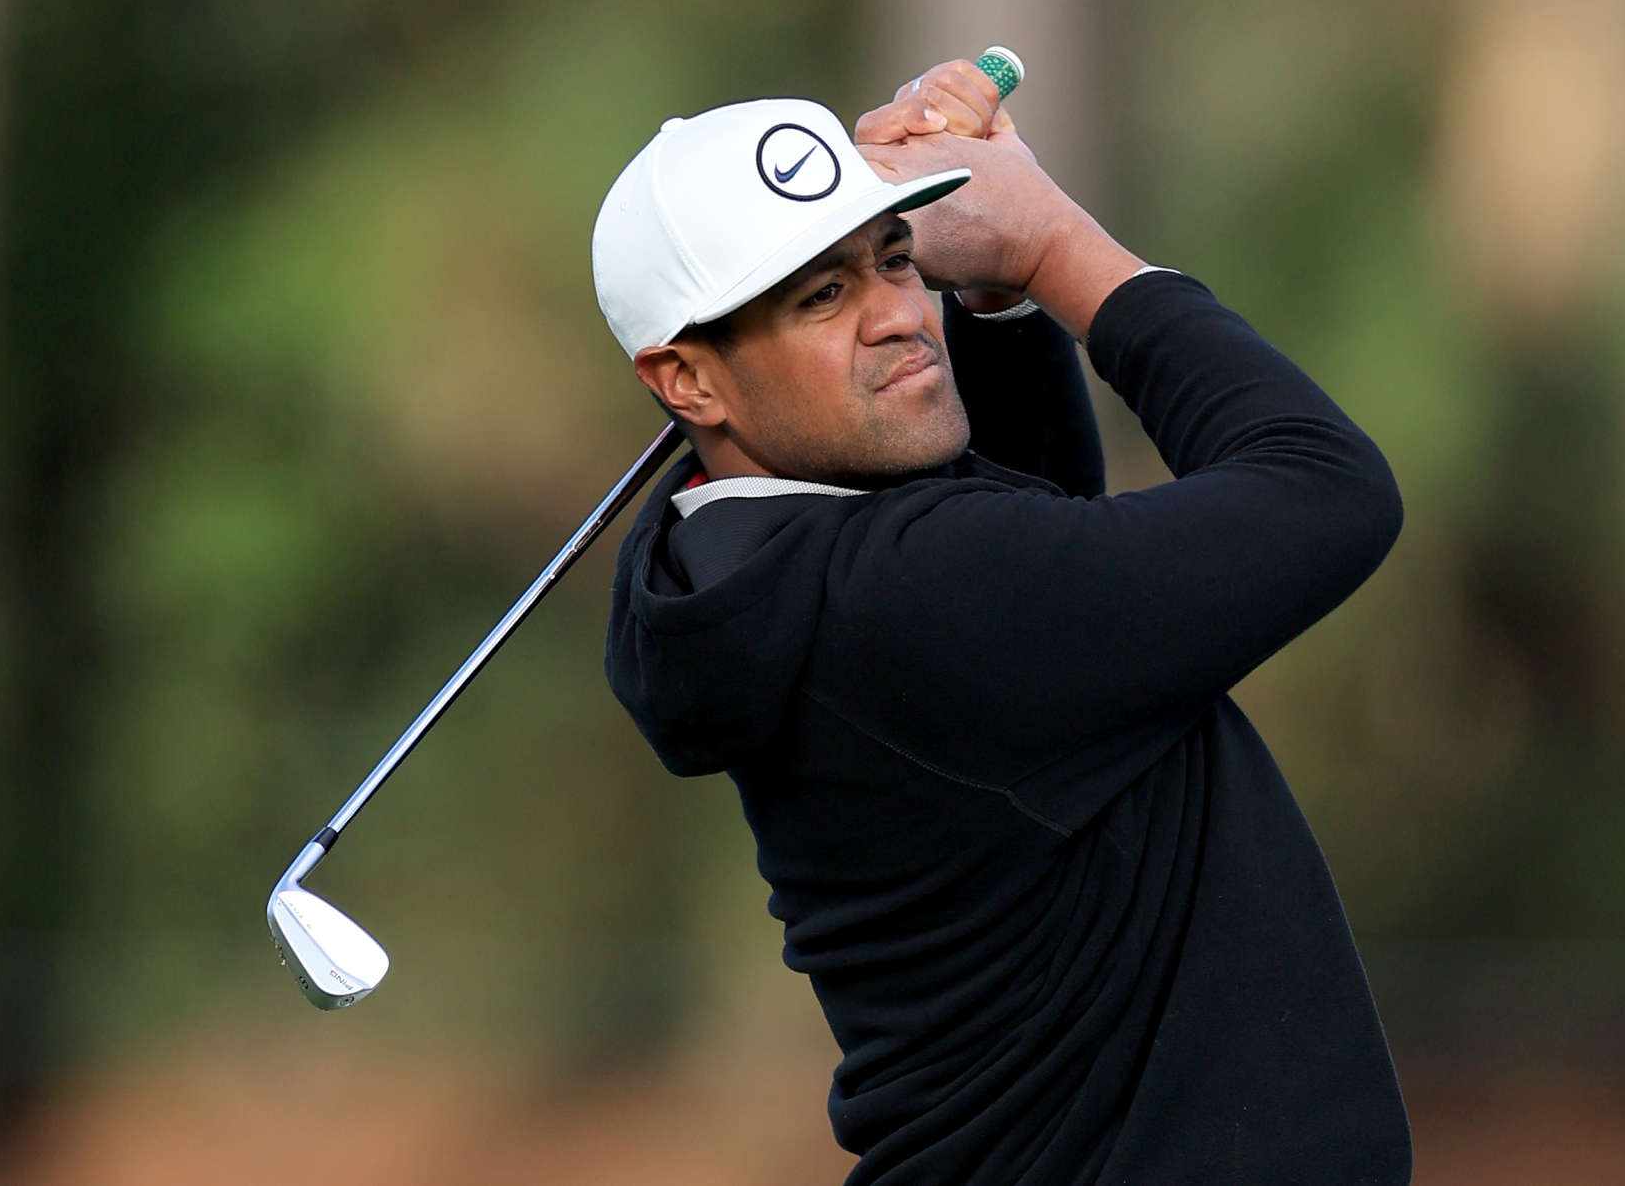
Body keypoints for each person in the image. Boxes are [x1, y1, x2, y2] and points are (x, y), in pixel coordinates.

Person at [591, 57, 1412, 1185]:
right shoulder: (909, 592)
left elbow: (1033, 531)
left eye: (894, 257)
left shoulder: (737, 561)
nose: (898, 316)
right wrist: (1051, 246)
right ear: (687, 380)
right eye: (821, 296)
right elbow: (1327, 489)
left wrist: (991, 299)